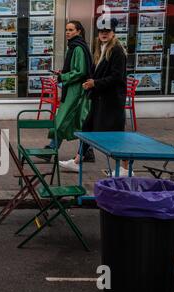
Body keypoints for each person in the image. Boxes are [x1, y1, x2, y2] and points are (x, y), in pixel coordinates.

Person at [59, 17, 128, 175]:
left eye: (107, 31)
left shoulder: (117, 50)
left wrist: (94, 83)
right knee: (87, 128)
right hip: (99, 98)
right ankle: (76, 162)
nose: (104, 34)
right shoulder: (101, 48)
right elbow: (96, 71)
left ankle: (124, 168)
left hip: (111, 101)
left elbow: (117, 77)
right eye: (101, 32)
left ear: (113, 33)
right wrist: (89, 82)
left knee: (116, 135)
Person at [42, 21, 94, 162]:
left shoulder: (77, 48)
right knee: (78, 122)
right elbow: (75, 69)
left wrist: (62, 76)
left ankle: (52, 150)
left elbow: (80, 71)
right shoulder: (73, 46)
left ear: (78, 31)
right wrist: (63, 72)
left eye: (71, 30)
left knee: (63, 120)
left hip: (76, 90)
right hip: (73, 89)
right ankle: (87, 151)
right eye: (66, 29)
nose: (67, 32)